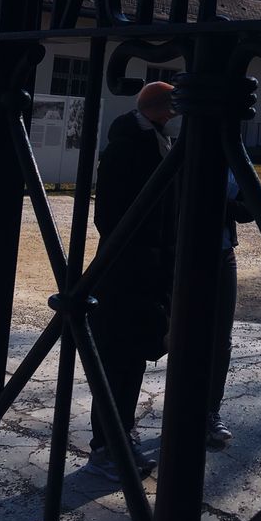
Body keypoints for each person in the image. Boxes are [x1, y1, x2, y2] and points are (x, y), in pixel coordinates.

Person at [85, 81, 179, 482]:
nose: (176, 115)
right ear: (162, 109)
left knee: (133, 356)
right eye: (173, 108)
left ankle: (118, 434)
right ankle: (106, 446)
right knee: (119, 358)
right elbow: (108, 215)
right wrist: (145, 247)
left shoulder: (153, 140)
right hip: (126, 272)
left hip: (145, 270)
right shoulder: (129, 146)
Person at [206, 168, 252, 449]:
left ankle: (211, 411)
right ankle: (184, 407)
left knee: (222, 339)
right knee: (188, 335)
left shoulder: (236, 159)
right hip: (186, 251)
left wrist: (218, 203)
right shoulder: (186, 144)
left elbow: (250, 209)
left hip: (223, 253)